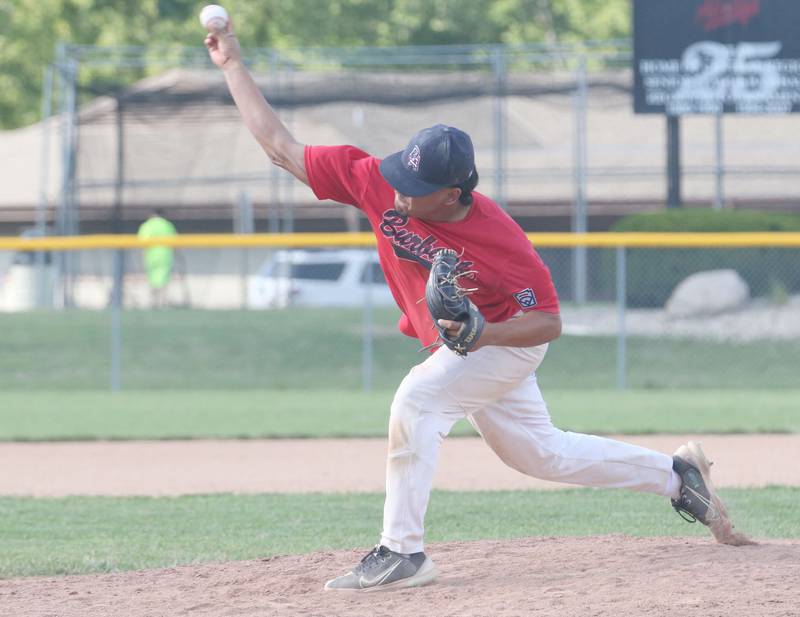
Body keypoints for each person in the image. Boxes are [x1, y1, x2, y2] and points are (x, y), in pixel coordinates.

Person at [204, 19, 752, 592]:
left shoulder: (503, 241)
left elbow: (548, 322)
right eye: (397, 174)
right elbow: (280, 148)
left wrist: (484, 333)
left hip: (508, 342)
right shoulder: (375, 182)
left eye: (412, 187)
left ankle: (402, 553)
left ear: (451, 194)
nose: (396, 190)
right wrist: (232, 65)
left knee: (418, 399)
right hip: (467, 341)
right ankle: (677, 476)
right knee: (541, 455)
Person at [137, 208, 178, 307]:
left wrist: (142, 256)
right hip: (165, 256)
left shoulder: (147, 225)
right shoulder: (168, 225)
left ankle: (153, 302)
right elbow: (175, 242)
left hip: (150, 256)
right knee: (163, 280)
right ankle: (162, 303)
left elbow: (142, 243)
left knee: (152, 280)